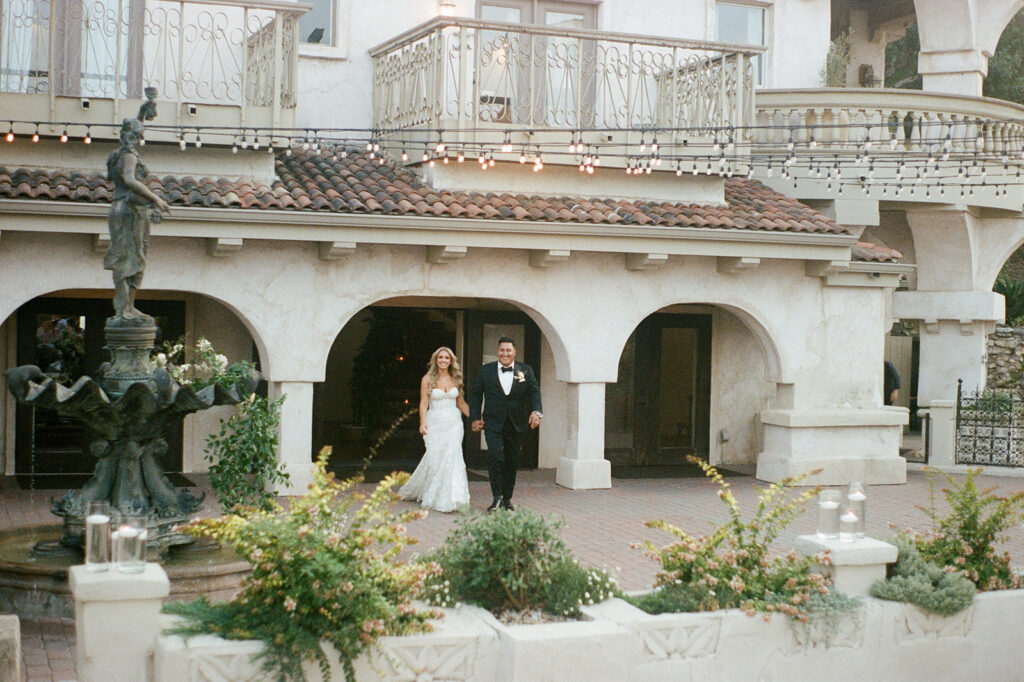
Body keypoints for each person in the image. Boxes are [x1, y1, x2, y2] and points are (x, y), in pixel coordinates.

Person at [104, 111, 170, 322]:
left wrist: (142, 111)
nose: (141, 139)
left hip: (123, 209)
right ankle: (125, 308)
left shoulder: (116, 155)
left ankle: (128, 306)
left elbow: (132, 126)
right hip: (130, 211)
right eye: (139, 135)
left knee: (131, 257)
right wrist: (156, 199)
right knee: (131, 258)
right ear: (133, 137)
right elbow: (129, 180)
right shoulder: (129, 156)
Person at [468, 337, 542, 512]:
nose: (505, 353)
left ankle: (507, 499)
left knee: (512, 460)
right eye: (502, 350)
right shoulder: (486, 370)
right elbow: (476, 394)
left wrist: (536, 412)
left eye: (508, 350)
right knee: (495, 457)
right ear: (498, 351)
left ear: (514, 352)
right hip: (493, 423)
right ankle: (497, 497)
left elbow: (534, 392)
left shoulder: (526, 370)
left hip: (516, 424)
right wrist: (475, 417)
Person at [399, 347, 471, 512]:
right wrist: (422, 422)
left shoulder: (456, 379)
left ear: (451, 361)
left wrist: (475, 418)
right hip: (435, 422)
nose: (444, 360)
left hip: (454, 423)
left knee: (453, 458)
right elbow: (424, 403)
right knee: (435, 458)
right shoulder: (427, 379)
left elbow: (461, 403)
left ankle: (453, 499)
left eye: (447, 358)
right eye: (441, 358)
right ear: (436, 360)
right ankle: (432, 492)